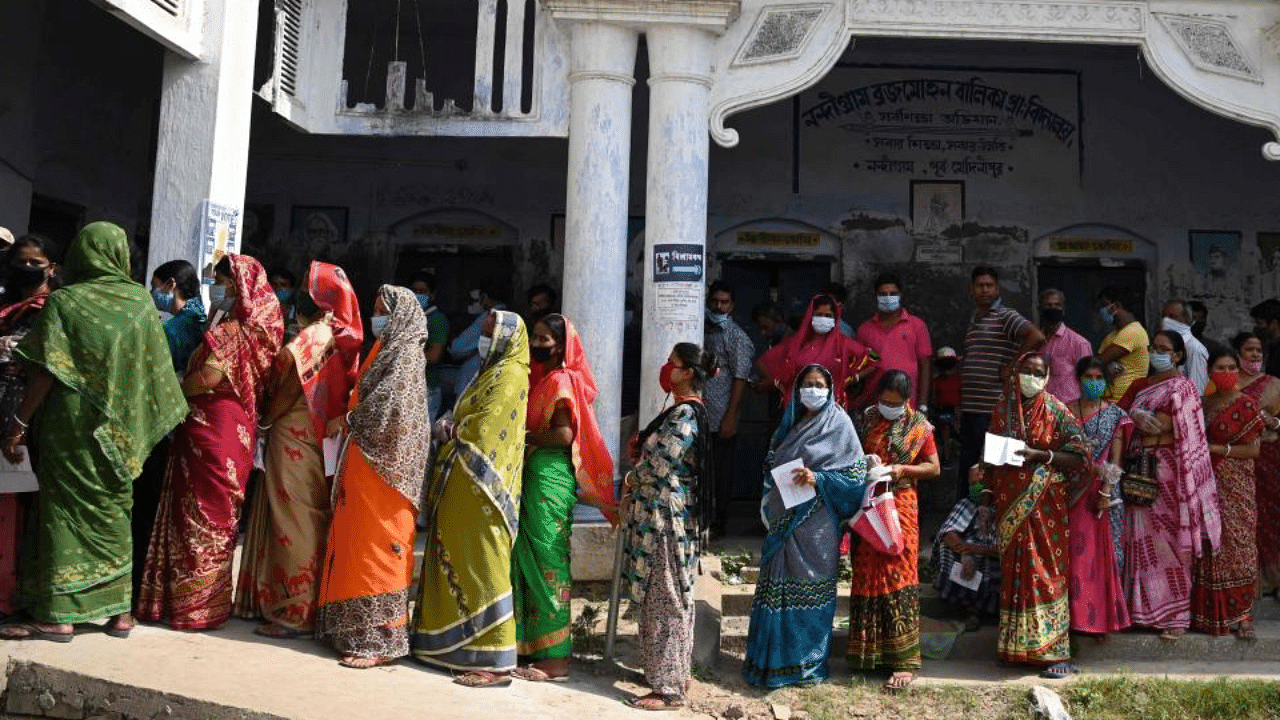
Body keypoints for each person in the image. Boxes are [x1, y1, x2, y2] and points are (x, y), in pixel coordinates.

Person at [0, 222, 186, 641]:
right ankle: (120, 610)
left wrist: (18, 423)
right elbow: (152, 370)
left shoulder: (64, 302)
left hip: (69, 424)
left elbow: (45, 372)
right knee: (116, 507)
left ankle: (59, 614)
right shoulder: (139, 303)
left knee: (62, 510)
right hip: (120, 424)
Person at [137, 254, 284, 631]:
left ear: (236, 286)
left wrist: (169, 390)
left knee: (202, 512)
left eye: (218, 281)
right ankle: (203, 603)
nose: (213, 289)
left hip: (214, 432)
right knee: (212, 515)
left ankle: (195, 606)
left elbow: (207, 378)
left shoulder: (234, 334)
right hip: (226, 431)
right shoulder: (246, 331)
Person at [234, 261, 362, 638]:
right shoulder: (341, 333)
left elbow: (290, 363)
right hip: (317, 434)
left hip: (294, 430)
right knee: (303, 513)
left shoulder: (317, 334)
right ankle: (291, 600)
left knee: (294, 519)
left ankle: (295, 610)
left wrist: (269, 416)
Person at [412, 309, 528, 683]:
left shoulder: (509, 376)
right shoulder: (488, 372)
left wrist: (450, 428)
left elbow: (485, 430)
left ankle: (494, 661)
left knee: (484, 566)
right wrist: (450, 422)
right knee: (458, 564)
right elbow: (464, 413)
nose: (483, 338)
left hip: (483, 490)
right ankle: (449, 646)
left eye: (489, 332)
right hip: (460, 485)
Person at [316, 285, 429, 668]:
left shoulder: (406, 356)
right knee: (355, 544)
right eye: (376, 308)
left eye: (384, 310)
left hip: (388, 470)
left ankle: (378, 640)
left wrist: (346, 420)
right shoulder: (385, 349)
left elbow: (388, 410)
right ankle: (350, 630)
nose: (377, 315)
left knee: (379, 548)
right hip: (365, 460)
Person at [742, 364, 872, 688]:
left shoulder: (840, 424)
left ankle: (806, 665)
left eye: (820, 384)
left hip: (818, 524)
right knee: (777, 589)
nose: (813, 390)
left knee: (812, 592)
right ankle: (769, 665)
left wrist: (819, 478)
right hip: (785, 518)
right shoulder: (788, 423)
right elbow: (772, 459)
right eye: (807, 384)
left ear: (830, 389)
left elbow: (855, 477)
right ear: (798, 389)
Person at [512, 314, 615, 682]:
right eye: (535, 336)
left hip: (550, 475)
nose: (538, 343)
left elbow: (564, 435)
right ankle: (533, 649)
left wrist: (524, 438)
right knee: (530, 560)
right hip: (537, 473)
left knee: (548, 562)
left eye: (544, 338)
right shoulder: (544, 378)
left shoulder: (560, 382)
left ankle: (556, 660)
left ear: (561, 345)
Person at [620, 343, 716, 711]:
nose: (667, 369)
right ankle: (667, 673)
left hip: (665, 519)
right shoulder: (679, 412)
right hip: (656, 515)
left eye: (673, 364)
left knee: (666, 599)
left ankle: (670, 687)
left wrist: (629, 480)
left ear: (688, 372)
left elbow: (659, 465)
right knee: (660, 597)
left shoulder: (685, 417)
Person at [984, 353, 1086, 678]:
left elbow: (1080, 455)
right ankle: (1015, 648)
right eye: (1025, 370)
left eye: (1037, 372)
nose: (1030, 376)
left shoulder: (1057, 410)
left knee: (1045, 573)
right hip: (1008, 503)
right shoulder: (1002, 409)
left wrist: (1041, 455)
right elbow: (990, 459)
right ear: (1014, 374)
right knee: (1014, 574)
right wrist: (986, 498)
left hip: (1046, 506)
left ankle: (1054, 652)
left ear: (1047, 376)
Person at [1114, 330, 1217, 640]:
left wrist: (1143, 418)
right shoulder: (1146, 389)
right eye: (1153, 348)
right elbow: (1136, 423)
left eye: (1163, 348)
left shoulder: (1183, 388)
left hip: (1169, 471)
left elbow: (1166, 425)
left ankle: (1175, 616)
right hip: (1139, 467)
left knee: (1170, 542)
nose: (1157, 353)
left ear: (1177, 356)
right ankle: (1142, 612)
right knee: (1138, 538)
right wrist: (1135, 415)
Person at [847, 370, 939, 690]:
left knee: (898, 570)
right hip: (869, 502)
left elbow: (933, 467)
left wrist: (901, 468)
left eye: (895, 404)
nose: (889, 407)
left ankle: (903, 660)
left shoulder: (919, 427)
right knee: (865, 570)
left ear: (907, 401)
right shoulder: (866, 420)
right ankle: (867, 654)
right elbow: (849, 456)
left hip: (901, 504)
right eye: (884, 401)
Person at [0, 236, 58, 616]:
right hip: (5, 414)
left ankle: (8, 598)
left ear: (51, 267)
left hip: (22, 422)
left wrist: (20, 423)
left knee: (13, 510)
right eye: (20, 262)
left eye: (35, 263)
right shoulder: (9, 306)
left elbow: (44, 367)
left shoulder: (50, 309)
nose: (27, 270)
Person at [1192, 348, 1261, 638]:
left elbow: (1254, 450)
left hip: (1237, 485)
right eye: (1221, 367)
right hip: (1206, 483)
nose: (1227, 372)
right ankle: (1211, 614)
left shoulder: (1246, 405)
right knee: (1210, 544)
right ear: (1210, 373)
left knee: (1239, 544)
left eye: (1232, 366)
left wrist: (1221, 450)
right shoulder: (1202, 404)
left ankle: (1243, 613)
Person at [958, 267, 1045, 498]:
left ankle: (988, 524)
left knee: (991, 468)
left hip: (992, 409)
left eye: (989, 285)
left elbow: (1036, 336)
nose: (984, 290)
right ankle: (965, 523)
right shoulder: (975, 319)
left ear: (997, 289)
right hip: (971, 408)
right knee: (969, 466)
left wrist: (1013, 366)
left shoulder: (1006, 315)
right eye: (980, 285)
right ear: (972, 289)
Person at [1067, 356, 1131, 636]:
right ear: (1078, 380)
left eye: (1098, 378)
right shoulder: (1066, 411)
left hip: (1103, 493)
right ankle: (1076, 618)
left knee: (1104, 556)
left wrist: (1106, 491)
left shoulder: (1116, 414)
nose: (1094, 383)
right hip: (1072, 491)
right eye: (1088, 378)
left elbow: (1116, 460)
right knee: (1075, 555)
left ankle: (1102, 619)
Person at [756, 294, 876, 411]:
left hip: (832, 410)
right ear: (810, 316)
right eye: (818, 315)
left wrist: (851, 379)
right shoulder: (796, 343)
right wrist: (776, 384)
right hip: (799, 410)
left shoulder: (844, 343)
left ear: (835, 318)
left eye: (828, 316)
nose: (823, 319)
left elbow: (874, 358)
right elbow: (762, 363)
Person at [703, 281, 754, 536]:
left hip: (721, 416)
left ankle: (719, 523)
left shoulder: (737, 337)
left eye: (724, 302)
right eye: (715, 301)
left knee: (720, 473)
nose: (718, 306)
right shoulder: (701, 330)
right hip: (699, 414)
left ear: (732, 305)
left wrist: (731, 417)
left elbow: (741, 378)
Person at [1235, 331, 1280, 599]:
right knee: (1247, 518)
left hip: (1270, 457)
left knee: (1272, 517)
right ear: (1238, 353)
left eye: (1259, 351)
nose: (1255, 355)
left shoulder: (1274, 384)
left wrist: (1272, 422)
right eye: (1249, 350)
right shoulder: (1225, 383)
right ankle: (1250, 580)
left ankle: (1274, 578)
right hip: (1238, 458)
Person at [855, 273, 933, 411]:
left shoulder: (917, 325)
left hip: (908, 406)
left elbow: (925, 367)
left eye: (892, 293)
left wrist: (923, 406)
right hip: (873, 406)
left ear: (900, 295)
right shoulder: (864, 330)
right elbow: (858, 367)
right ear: (876, 296)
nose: (888, 298)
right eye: (883, 294)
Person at [932, 478, 1000, 631]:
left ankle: (987, 609)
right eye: (972, 482)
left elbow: (1002, 548)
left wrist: (973, 550)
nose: (976, 487)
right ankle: (970, 610)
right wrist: (966, 552)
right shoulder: (965, 504)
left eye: (981, 481)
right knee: (947, 550)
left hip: (991, 551)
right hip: (967, 550)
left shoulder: (1003, 507)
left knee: (989, 561)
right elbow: (948, 533)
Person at [448, 285, 508, 399]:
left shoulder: (490, 316)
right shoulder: (512, 317)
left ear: (485, 297)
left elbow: (457, 347)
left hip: (475, 378)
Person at [150, 260, 207, 375]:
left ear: (171, 284)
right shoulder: (199, 311)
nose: (151, 293)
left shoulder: (171, 330)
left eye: (155, 287)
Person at [1039, 289, 1092, 405]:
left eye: (1057, 305)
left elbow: (1089, 379)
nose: (1052, 308)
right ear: (1040, 309)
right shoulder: (1036, 341)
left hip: (1069, 410)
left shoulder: (1079, 343)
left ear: (1063, 309)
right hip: (1041, 409)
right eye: (1048, 305)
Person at [1098, 286, 1149, 400]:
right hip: (1109, 401)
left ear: (1116, 306)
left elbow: (1099, 361)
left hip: (1126, 402)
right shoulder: (1112, 335)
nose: (1102, 310)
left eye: (1105, 305)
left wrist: (1103, 364)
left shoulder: (1133, 331)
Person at [410, 273, 449, 420]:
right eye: (415, 291)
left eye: (422, 292)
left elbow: (434, 356)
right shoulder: (410, 318)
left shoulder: (436, 319)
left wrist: (404, 355)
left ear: (432, 295)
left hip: (427, 389)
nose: (417, 295)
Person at [1161, 299, 1209, 393]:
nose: (1166, 321)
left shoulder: (1194, 349)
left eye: (1172, 317)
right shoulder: (1171, 345)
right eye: (1163, 317)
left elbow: (1197, 390)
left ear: (1186, 319)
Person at [930, 346, 962, 465]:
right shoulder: (938, 381)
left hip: (954, 412)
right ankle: (946, 458)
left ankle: (948, 457)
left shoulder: (957, 380)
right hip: (943, 413)